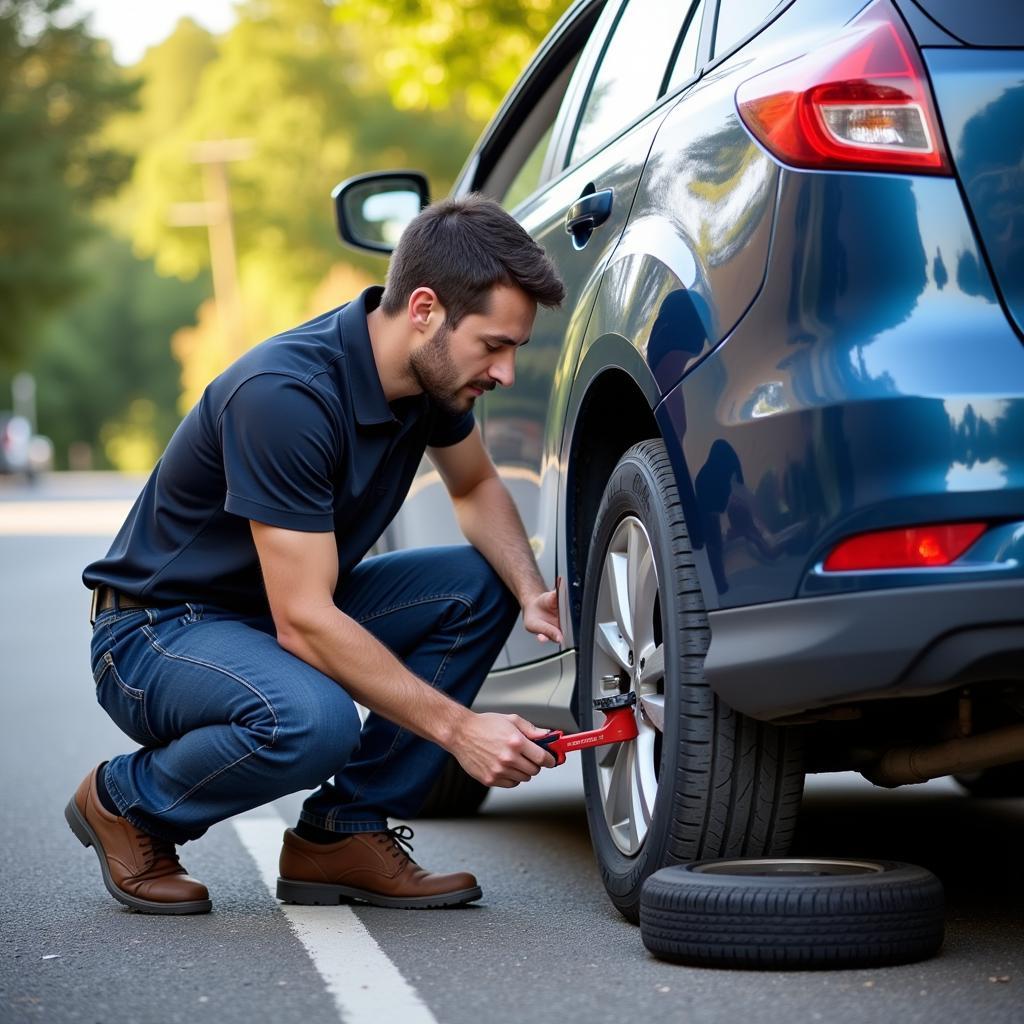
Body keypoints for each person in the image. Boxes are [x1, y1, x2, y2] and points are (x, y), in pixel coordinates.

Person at [68, 193, 567, 914]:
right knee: (315, 722)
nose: (506, 372)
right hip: (155, 633)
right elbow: (302, 620)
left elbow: (477, 484)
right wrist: (463, 732)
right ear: (424, 309)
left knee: (479, 585)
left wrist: (526, 590)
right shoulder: (287, 396)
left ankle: (342, 834)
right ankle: (126, 801)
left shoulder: (431, 382)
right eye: (493, 345)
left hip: (267, 618)